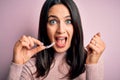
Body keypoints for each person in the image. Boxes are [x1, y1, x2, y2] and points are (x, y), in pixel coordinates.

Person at [8, 0, 105, 80]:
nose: (61, 30)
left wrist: (92, 65)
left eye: (68, 21)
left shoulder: (93, 61)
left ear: (75, 26)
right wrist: (17, 65)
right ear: (44, 27)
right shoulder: (30, 67)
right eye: (53, 21)